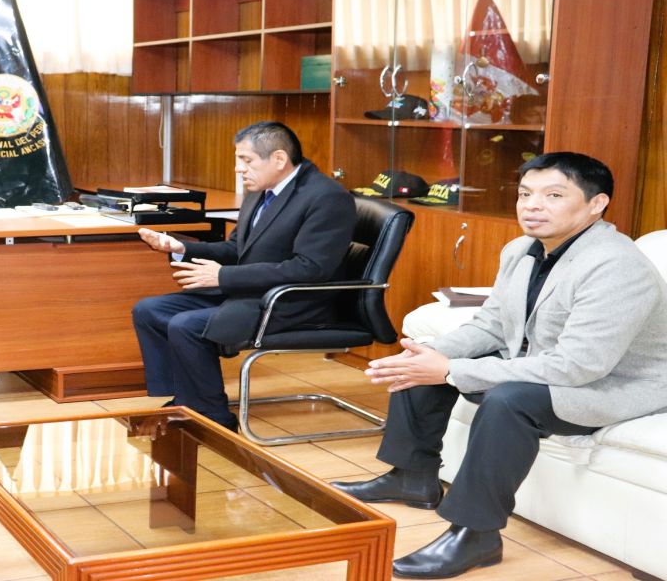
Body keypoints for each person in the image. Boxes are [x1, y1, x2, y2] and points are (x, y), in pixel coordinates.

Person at [333, 152, 667, 578]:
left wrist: (450, 371)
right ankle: (411, 477)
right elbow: (491, 325)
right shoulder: (521, 250)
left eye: (554, 195)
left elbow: (578, 366)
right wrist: (432, 356)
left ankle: (476, 534)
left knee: (509, 399)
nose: (533, 205)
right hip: (551, 365)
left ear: (596, 204)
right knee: (426, 358)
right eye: (526, 194)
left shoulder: (616, 266)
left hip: (612, 386)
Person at [131, 121, 356, 430]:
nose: (239, 169)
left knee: (187, 325)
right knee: (150, 310)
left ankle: (214, 418)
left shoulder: (325, 197)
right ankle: (186, 399)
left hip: (293, 301)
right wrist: (181, 247)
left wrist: (223, 277)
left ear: (278, 159)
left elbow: (309, 268)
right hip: (250, 291)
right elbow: (236, 248)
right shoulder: (260, 190)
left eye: (246, 160)